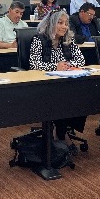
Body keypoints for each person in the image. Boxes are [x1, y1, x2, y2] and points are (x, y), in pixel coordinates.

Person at [28, 9, 87, 141]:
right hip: (45, 84)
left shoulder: (68, 40)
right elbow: (34, 64)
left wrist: (68, 65)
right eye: (60, 23)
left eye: (66, 23)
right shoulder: (39, 40)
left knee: (82, 95)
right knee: (61, 98)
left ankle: (63, 129)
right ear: (51, 24)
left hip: (66, 82)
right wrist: (55, 66)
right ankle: (61, 133)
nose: (64, 26)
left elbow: (81, 60)